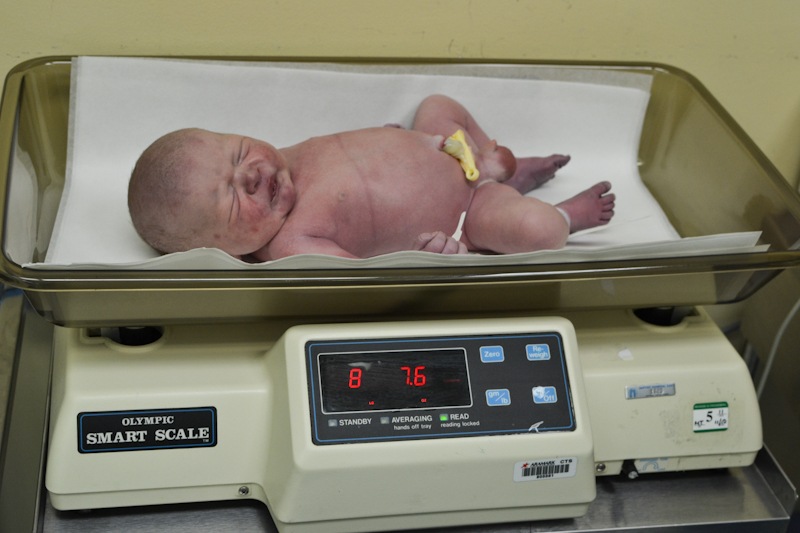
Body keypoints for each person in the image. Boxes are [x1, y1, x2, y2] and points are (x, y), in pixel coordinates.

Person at [128, 95, 614, 261]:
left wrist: (389, 141)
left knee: (438, 104)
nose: (251, 174)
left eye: (238, 152)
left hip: (443, 147)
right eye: (233, 196)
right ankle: (565, 215)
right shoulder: (293, 245)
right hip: (467, 212)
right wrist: (429, 260)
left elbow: (348, 153)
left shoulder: (282, 160)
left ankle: (499, 165)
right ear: (222, 251)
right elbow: (367, 281)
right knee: (539, 231)